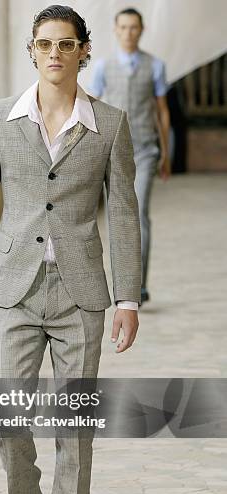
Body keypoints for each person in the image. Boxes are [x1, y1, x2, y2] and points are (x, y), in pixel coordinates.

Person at [0, 4, 141, 494]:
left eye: (67, 44)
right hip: (12, 289)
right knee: (7, 416)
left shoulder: (108, 124)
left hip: (81, 295)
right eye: (45, 44)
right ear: (31, 51)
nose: (55, 54)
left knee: (72, 429)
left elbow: (125, 218)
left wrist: (128, 298)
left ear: (84, 50)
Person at [89, 7, 171, 304]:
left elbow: (162, 111)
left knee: (140, 215)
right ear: (115, 30)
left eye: (133, 27)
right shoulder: (102, 67)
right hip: (113, 151)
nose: (128, 33)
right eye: (123, 27)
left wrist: (166, 153)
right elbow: (92, 107)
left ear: (141, 29)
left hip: (146, 149)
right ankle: (121, 282)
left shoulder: (156, 66)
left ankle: (139, 285)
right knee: (117, 217)